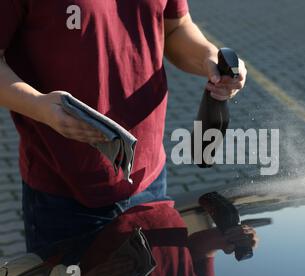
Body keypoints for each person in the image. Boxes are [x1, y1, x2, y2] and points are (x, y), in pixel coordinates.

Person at [0, 0, 247, 252]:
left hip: (150, 181)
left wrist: (208, 57)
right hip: (65, 196)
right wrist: (39, 106)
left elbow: (175, 27)